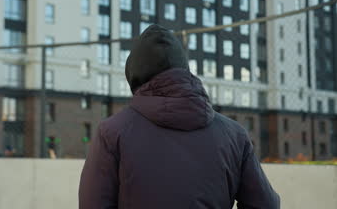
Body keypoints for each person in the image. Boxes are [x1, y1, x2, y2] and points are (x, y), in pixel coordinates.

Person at [79, 25, 280, 209]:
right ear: (184, 67)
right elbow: (266, 205)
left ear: (135, 75)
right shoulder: (235, 135)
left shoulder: (113, 133)